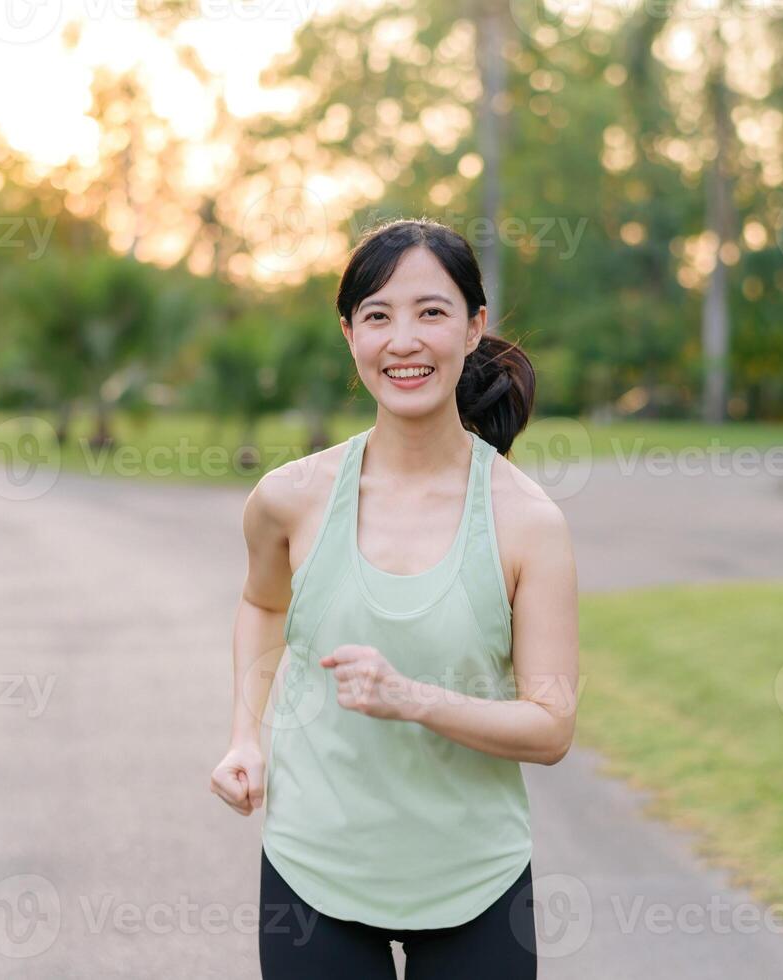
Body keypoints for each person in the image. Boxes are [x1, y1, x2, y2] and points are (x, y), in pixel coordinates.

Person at [209, 218, 580, 978]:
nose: (403, 341)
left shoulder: (526, 522)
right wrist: (246, 737)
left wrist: (410, 698)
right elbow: (263, 605)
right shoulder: (289, 499)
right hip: (314, 870)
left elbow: (550, 728)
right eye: (377, 316)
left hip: (476, 881)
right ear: (349, 335)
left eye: (431, 312)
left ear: (475, 327)